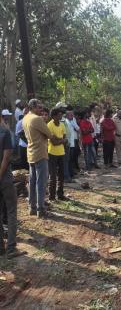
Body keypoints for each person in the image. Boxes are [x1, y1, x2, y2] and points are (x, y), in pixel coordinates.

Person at [22, 99, 55, 218]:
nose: (41, 110)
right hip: (40, 153)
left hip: (30, 153)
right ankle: (40, 209)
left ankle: (32, 207)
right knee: (41, 183)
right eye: (39, 108)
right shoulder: (37, 119)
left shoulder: (25, 118)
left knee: (32, 181)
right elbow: (50, 134)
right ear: (33, 107)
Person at [0, 114, 23, 258]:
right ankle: (11, 248)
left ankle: (1, 249)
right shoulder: (5, 132)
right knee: (11, 211)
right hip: (5, 177)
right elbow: (7, 157)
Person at [47, 108, 67, 202]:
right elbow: (54, 142)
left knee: (61, 175)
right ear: (54, 116)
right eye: (59, 114)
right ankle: (51, 196)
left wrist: (59, 140)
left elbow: (64, 138)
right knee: (53, 176)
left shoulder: (62, 124)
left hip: (61, 152)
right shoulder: (49, 125)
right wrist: (61, 140)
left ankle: (60, 194)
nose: (61, 116)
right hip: (52, 153)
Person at [65, 109, 80, 176]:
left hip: (72, 143)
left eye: (73, 115)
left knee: (72, 159)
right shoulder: (66, 122)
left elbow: (78, 129)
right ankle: (69, 174)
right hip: (68, 144)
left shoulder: (72, 121)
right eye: (71, 115)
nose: (73, 116)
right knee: (69, 160)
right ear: (67, 116)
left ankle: (71, 173)